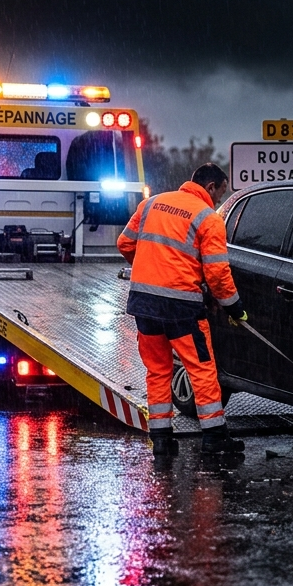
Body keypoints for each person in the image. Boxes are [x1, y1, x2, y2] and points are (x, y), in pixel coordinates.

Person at [117, 163, 247, 456]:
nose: (217, 201)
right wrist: (235, 307)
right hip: (182, 307)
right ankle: (214, 437)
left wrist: (149, 268)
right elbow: (216, 274)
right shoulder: (208, 219)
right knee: (200, 369)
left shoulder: (152, 204)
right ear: (210, 187)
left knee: (158, 370)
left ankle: (162, 439)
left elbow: (124, 243)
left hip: (144, 304)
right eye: (220, 193)